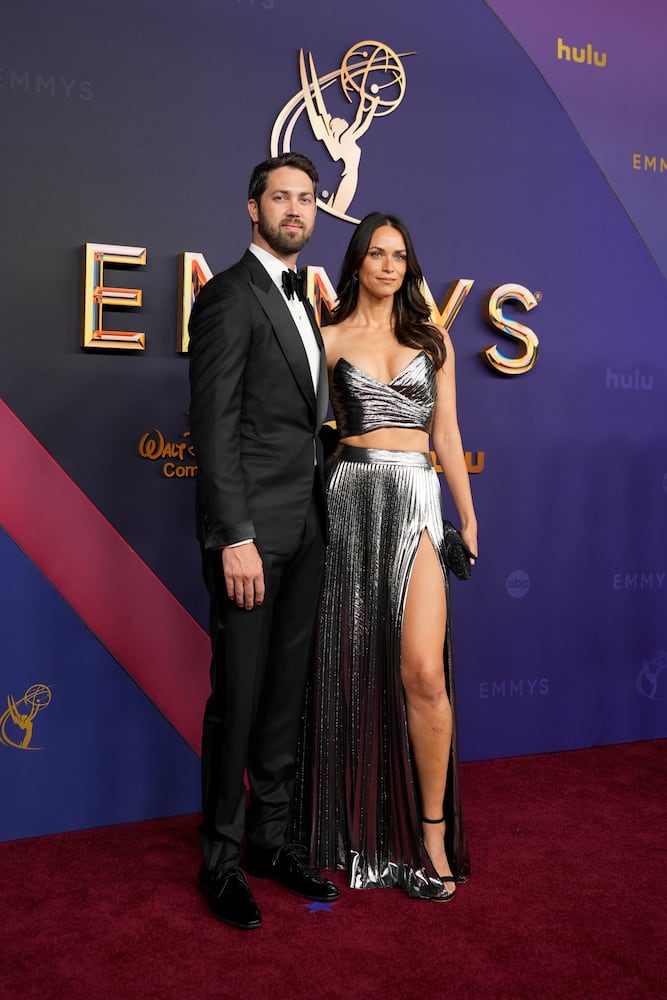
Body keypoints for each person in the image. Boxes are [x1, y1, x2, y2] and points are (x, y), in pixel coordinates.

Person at [293, 212, 478, 900]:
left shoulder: (432, 340)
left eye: (400, 255)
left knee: (423, 673)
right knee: (344, 665)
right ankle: (347, 822)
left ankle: (430, 830)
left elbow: (449, 432)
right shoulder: (326, 335)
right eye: (377, 253)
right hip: (347, 498)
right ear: (356, 262)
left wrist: (467, 513)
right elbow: (299, 430)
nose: (390, 265)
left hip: (416, 501)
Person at [188, 152, 338, 930]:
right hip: (251, 538)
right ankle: (219, 860)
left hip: (307, 531)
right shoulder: (227, 295)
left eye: (306, 199)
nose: (294, 210)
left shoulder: (304, 299)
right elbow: (213, 432)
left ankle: (271, 843)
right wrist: (234, 537)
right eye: (280, 197)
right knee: (239, 699)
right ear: (252, 208)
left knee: (284, 699)